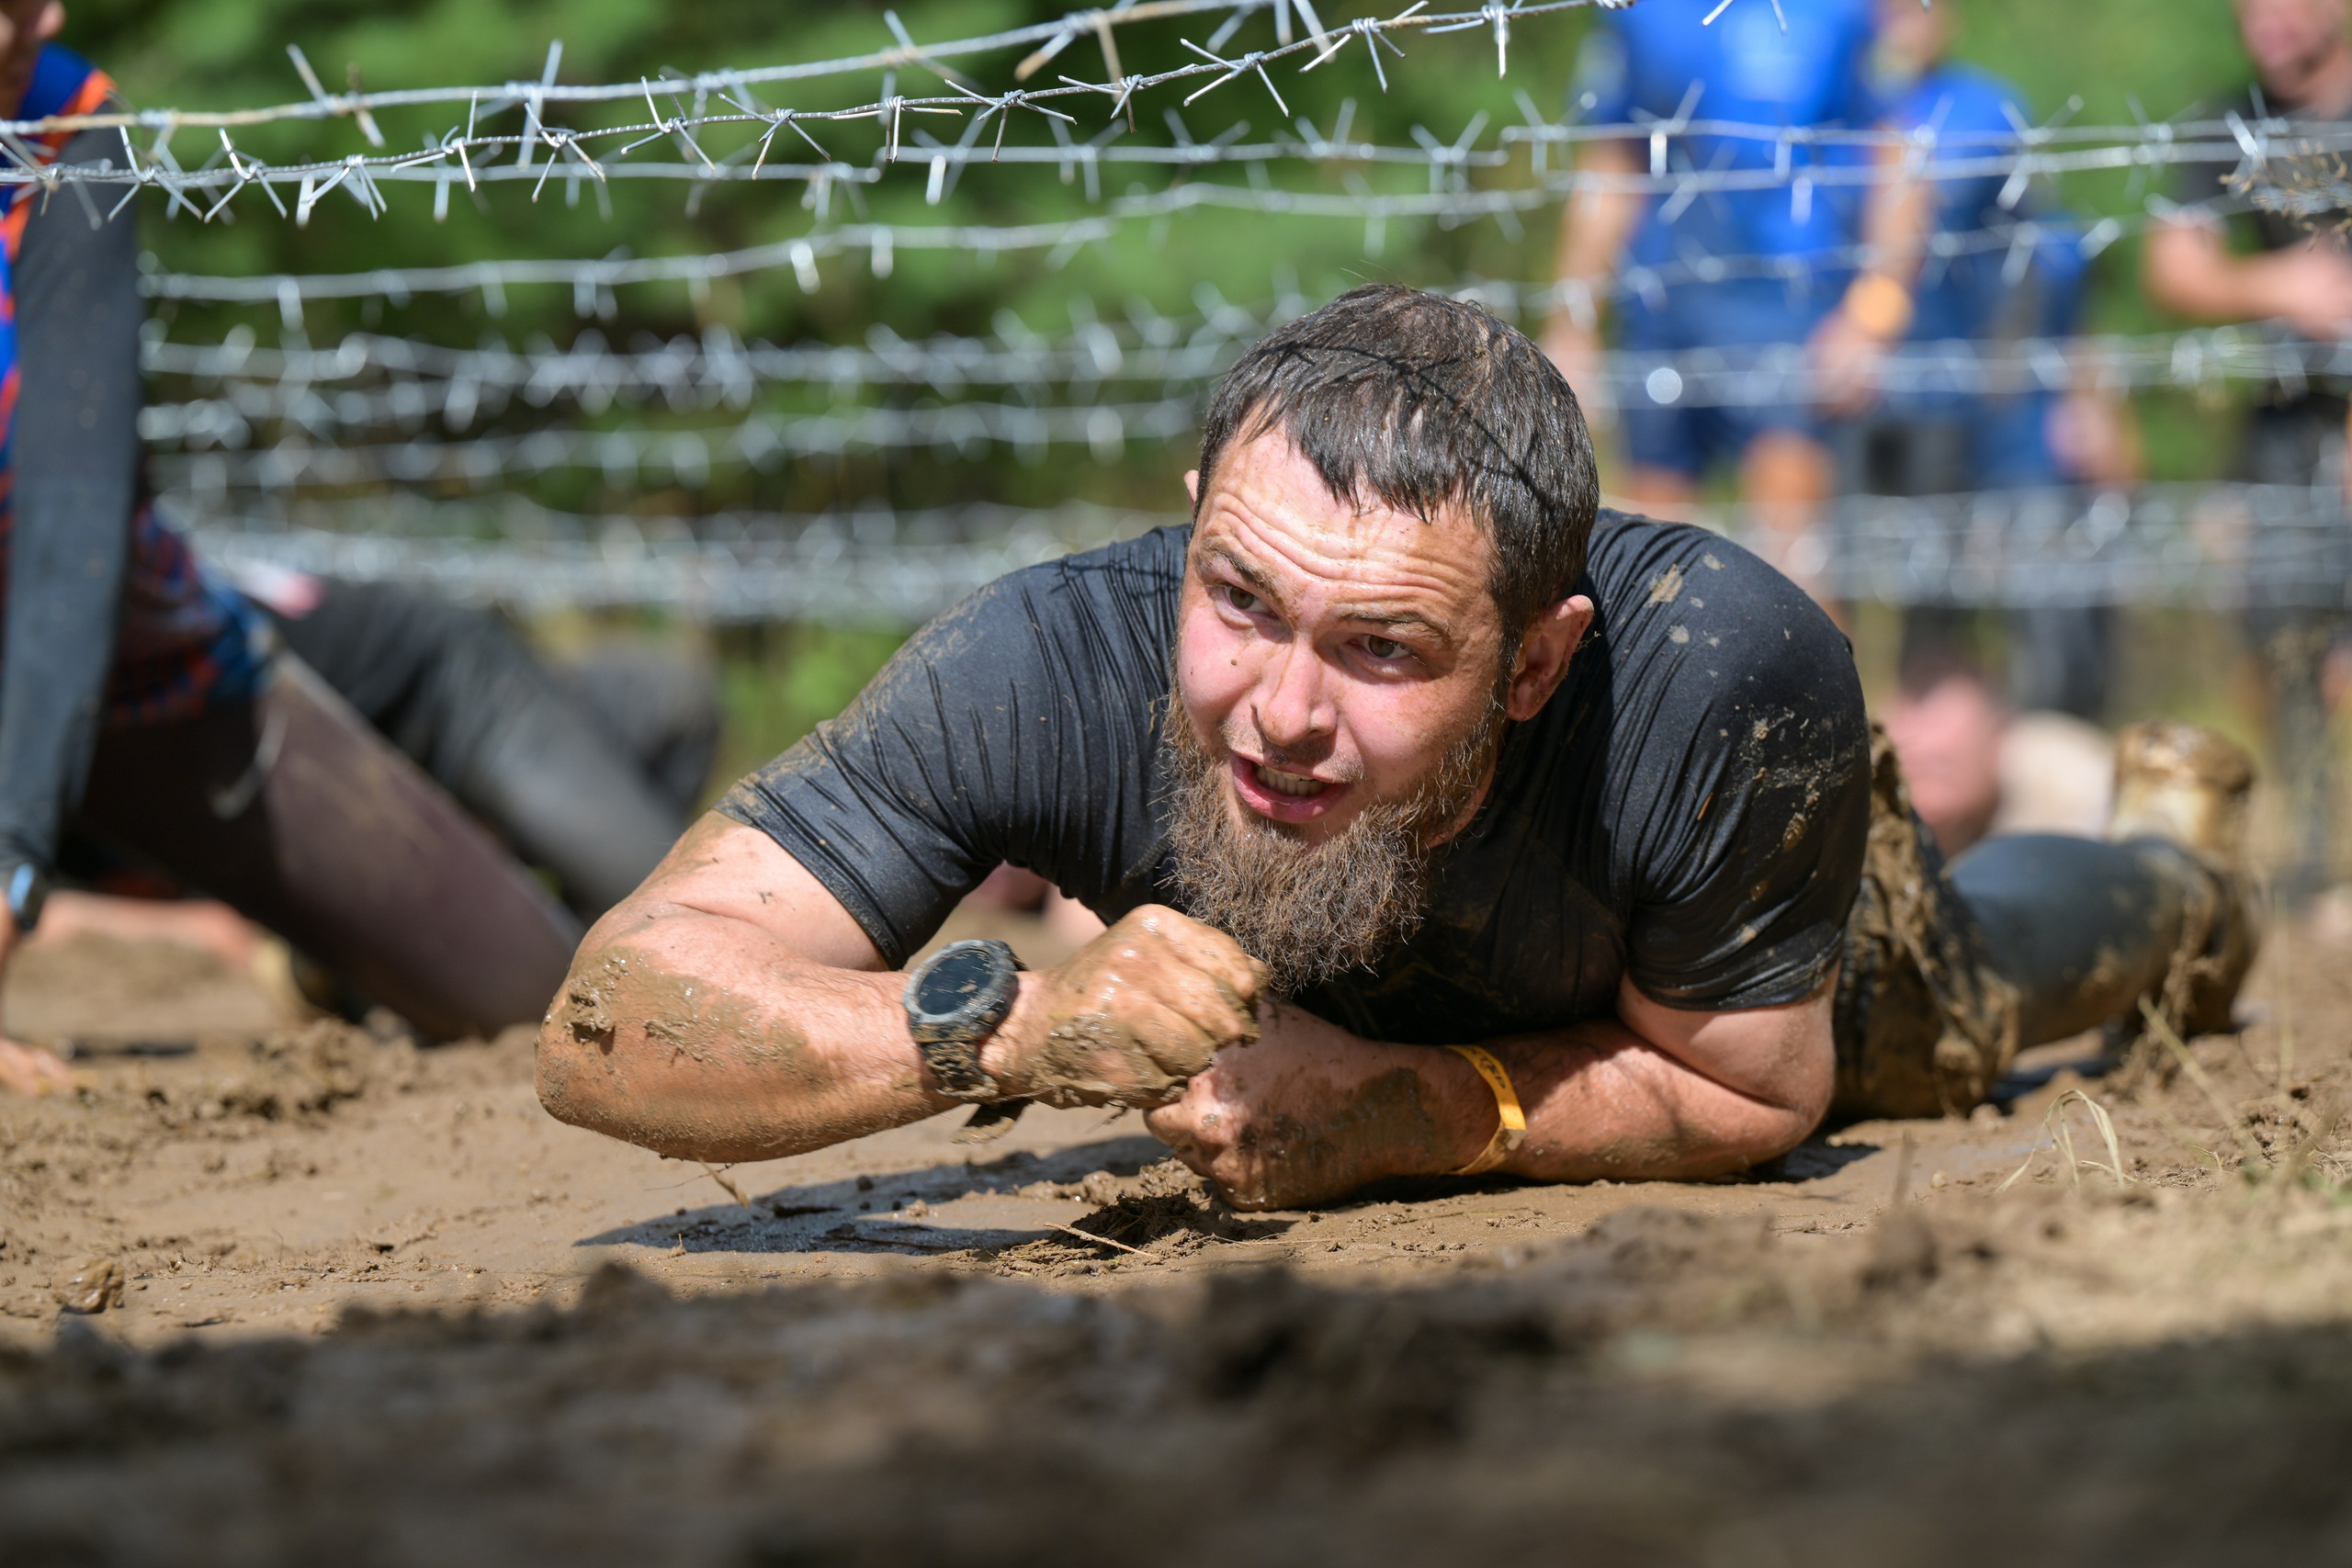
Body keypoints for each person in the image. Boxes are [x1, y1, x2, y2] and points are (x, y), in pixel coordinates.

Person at [537, 287, 2258, 1212]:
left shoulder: (1710, 671)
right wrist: (1009, 1031)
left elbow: (1759, 1089)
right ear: (1198, 521)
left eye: (1382, 651)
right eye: (1243, 601)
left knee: (1978, 1002)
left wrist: (1423, 1112)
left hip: (1708, 975)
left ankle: (2182, 862)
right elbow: (613, 1020)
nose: (1283, 709)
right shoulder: (1047, 655)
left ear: (1532, 661)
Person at [0, 18, 693, 1093]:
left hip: (210, 680)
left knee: (581, 1011)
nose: (42, 18)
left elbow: (66, 517)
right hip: (93, 718)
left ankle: (615, 724)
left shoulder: (62, 122)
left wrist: (9, 869)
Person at [1543, 0, 1878, 600]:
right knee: (1652, 566)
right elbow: (1613, 160)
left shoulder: (1842, 14)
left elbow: (1893, 153)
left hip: (1791, 309)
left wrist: (1874, 310)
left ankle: (1810, 694)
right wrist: (1573, 322)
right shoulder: (1641, 16)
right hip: (1663, 306)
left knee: (1795, 566)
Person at [2144, 0, 2352, 908]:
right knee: (2280, 648)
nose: (2269, 16)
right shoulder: (2222, 124)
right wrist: (2285, 284)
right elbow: (2173, 268)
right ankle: (2313, 855)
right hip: (2278, 424)